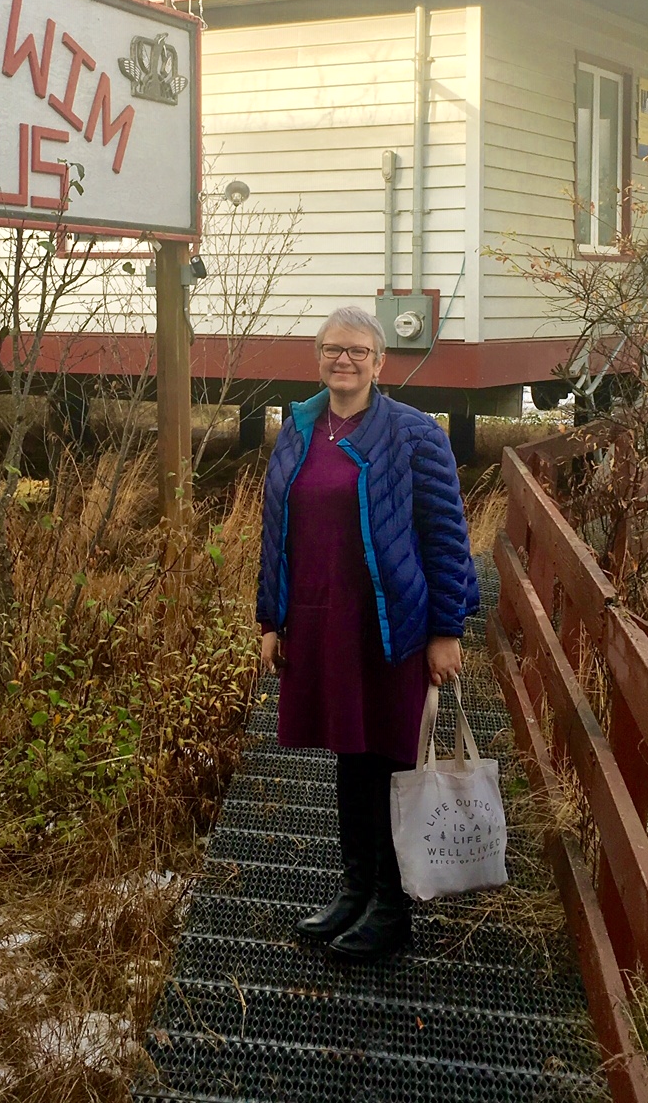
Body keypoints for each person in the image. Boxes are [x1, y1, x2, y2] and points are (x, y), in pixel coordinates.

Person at [255, 305, 481, 961]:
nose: (344, 360)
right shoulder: (299, 429)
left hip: (392, 623)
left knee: (390, 759)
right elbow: (277, 532)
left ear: (380, 362)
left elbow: (447, 538)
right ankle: (355, 893)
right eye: (333, 349)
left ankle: (393, 907)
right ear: (318, 357)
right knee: (350, 756)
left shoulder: (414, 434)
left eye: (357, 350)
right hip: (322, 621)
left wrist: (446, 630)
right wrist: (271, 619)